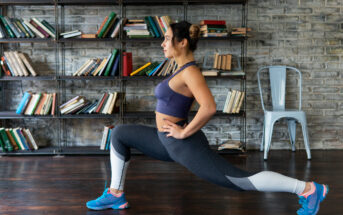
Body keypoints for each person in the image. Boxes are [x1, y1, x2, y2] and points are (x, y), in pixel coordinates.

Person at [86, 21, 328, 215]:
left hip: (180, 142)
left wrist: (184, 132)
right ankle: (116, 195)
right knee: (119, 134)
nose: (163, 44)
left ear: (182, 43)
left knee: (238, 181)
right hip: (165, 140)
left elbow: (209, 107)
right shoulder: (179, 69)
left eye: (168, 39)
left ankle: (307, 189)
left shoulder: (190, 71)